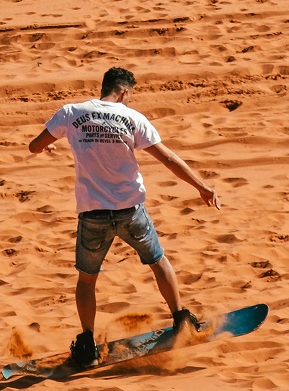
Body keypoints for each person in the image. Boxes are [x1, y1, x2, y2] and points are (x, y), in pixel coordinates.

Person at [27, 66, 221, 367]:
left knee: (87, 279)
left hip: (93, 214)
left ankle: (87, 343)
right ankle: (180, 317)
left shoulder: (70, 112)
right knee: (158, 261)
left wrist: (51, 144)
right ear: (125, 92)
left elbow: (34, 146)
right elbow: (168, 158)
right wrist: (201, 186)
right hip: (131, 211)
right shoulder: (132, 118)